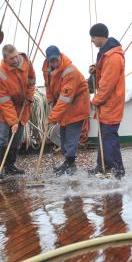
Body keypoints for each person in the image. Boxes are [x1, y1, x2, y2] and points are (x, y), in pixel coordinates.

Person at [42, 46, 90, 176]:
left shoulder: (70, 71)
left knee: (71, 135)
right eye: (51, 61)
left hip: (77, 105)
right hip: (64, 106)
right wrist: (50, 99)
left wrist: (52, 117)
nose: (54, 63)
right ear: (47, 61)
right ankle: (68, 162)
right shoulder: (47, 68)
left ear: (60, 56)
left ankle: (70, 163)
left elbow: (65, 98)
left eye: (55, 60)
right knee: (63, 134)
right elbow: (48, 86)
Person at [87, 23, 125, 178]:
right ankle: (102, 166)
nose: (92, 40)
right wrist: (96, 68)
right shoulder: (106, 54)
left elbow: (107, 83)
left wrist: (95, 100)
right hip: (107, 104)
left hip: (111, 103)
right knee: (104, 135)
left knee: (109, 136)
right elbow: (104, 74)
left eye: (93, 37)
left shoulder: (113, 57)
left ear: (102, 37)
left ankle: (116, 170)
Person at [0, 44, 36, 177]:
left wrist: (29, 97)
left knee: (17, 137)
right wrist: (13, 122)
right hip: (5, 108)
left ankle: (11, 165)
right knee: (3, 136)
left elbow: (32, 80)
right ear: (5, 59)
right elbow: (5, 102)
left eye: (16, 56)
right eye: (12, 58)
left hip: (22, 106)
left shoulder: (26, 62)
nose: (16, 60)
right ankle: (0, 167)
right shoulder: (1, 74)